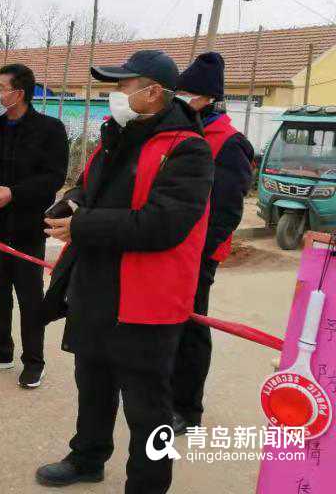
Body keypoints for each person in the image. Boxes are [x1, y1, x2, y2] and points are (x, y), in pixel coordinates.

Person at [36, 50, 214, 493]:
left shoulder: (188, 149)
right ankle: (87, 457)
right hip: (96, 285)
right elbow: (89, 187)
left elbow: (163, 224)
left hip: (147, 299)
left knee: (148, 406)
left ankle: (148, 485)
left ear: (152, 92)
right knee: (92, 385)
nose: (114, 94)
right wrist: (70, 204)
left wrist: (83, 225)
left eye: (122, 85)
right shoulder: (115, 135)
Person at [0, 64, 69, 388]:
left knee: (29, 296)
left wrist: (14, 193)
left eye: (1, 88)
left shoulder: (50, 130)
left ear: (19, 93)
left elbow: (53, 177)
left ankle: (34, 361)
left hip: (27, 228)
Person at [171, 52, 255, 435]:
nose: (180, 99)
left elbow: (226, 212)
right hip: (168, 246)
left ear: (207, 98)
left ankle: (188, 409)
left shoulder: (230, 143)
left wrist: (197, 254)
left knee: (191, 325)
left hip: (198, 254)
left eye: (186, 93)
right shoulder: (180, 131)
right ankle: (163, 391)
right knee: (165, 322)